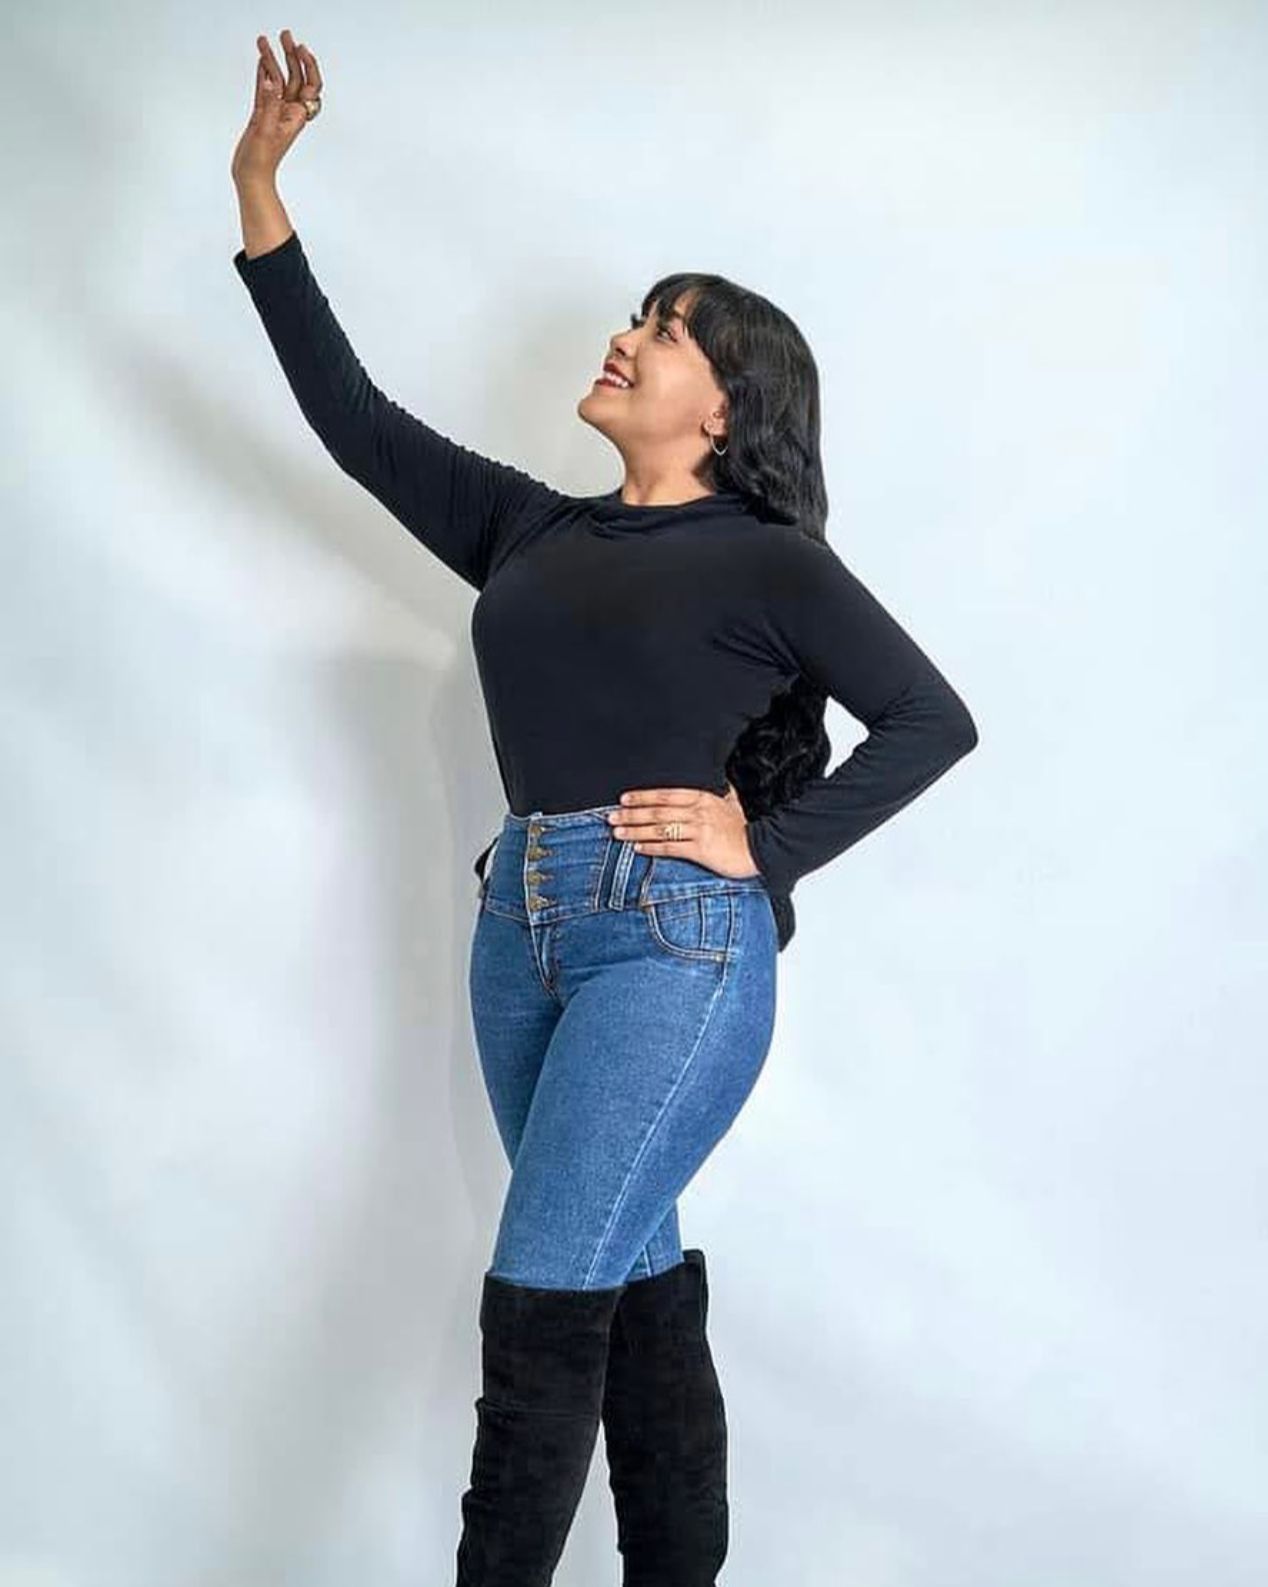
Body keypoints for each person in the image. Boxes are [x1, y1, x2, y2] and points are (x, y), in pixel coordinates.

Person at [230, 31, 978, 1587]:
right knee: (626, 1282)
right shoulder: (529, 528)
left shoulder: (770, 562)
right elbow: (352, 419)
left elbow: (932, 719)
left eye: (667, 330)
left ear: (728, 407)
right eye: (636, 315)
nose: (627, 338)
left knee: (543, 1297)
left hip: (677, 946)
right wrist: (261, 192)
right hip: (521, 934)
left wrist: (762, 847)